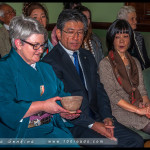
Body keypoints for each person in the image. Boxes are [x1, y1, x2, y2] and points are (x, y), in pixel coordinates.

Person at [42, 9, 144, 148]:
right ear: (59, 34)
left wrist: (107, 116)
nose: (76, 37)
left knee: (135, 141)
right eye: (71, 32)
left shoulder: (87, 56)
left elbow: (99, 90)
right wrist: (93, 125)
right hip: (74, 123)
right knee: (109, 145)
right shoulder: (50, 62)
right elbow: (61, 104)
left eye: (80, 32)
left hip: (98, 116)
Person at [0, 15, 81, 148]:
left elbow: (61, 95)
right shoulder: (5, 68)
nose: (41, 50)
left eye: (43, 44)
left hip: (51, 130)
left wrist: (64, 111)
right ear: (18, 43)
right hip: (22, 136)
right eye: (35, 45)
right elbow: (5, 108)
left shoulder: (46, 68)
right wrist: (43, 106)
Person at [98, 19, 150, 136]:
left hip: (137, 105)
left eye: (125, 36)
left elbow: (141, 89)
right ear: (112, 39)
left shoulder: (135, 62)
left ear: (130, 39)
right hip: (118, 111)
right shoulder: (105, 64)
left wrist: (147, 105)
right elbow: (112, 96)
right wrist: (137, 110)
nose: (121, 41)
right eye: (117, 37)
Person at [117, 5, 150, 70]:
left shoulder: (138, 36)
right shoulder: (117, 39)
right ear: (123, 21)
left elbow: (145, 59)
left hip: (143, 70)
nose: (135, 22)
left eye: (135, 18)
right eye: (132, 19)